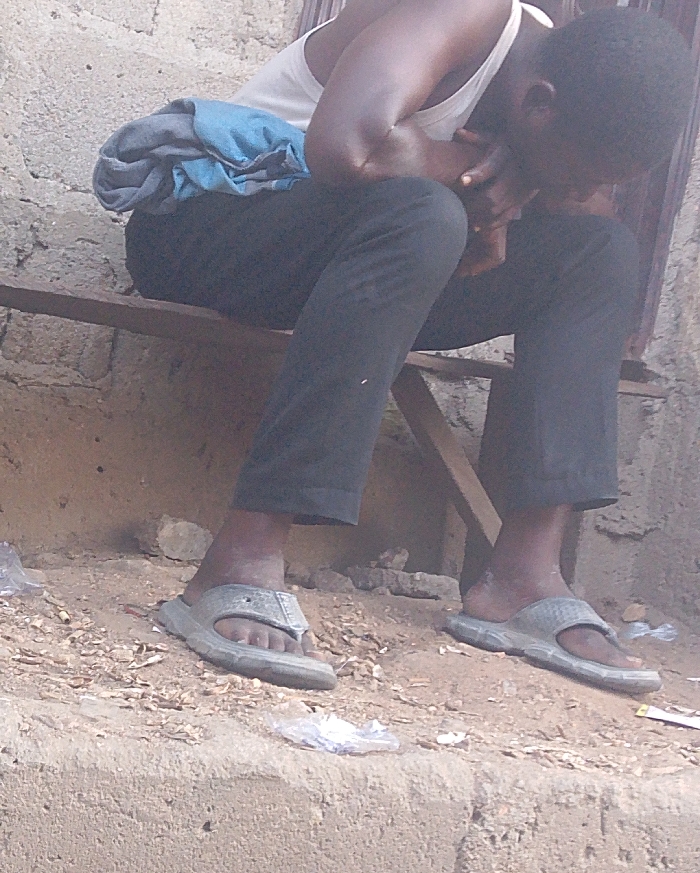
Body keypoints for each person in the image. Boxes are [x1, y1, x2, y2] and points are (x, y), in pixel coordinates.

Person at [124, 1, 693, 692]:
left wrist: (514, 190)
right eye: (583, 175)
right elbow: (347, 147)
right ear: (539, 105)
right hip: (209, 230)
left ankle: (523, 577)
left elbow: (581, 219)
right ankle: (240, 558)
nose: (584, 192)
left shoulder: (558, 104)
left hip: (363, 266)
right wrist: (475, 171)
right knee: (428, 212)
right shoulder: (462, 15)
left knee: (600, 253)